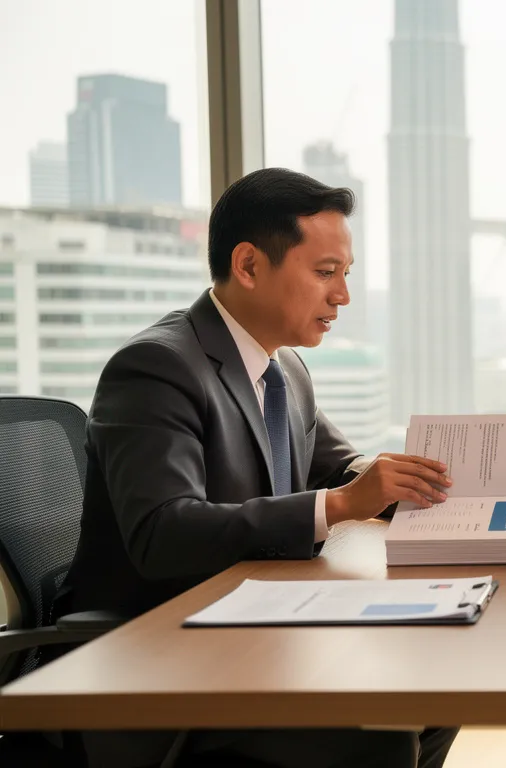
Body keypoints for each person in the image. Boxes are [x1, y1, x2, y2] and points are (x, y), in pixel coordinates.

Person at [55, 168, 459, 768]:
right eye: (325, 273)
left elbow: (338, 467)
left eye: (346, 274)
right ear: (247, 265)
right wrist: (343, 503)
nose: (342, 296)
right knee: (380, 732)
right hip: (156, 661)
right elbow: (163, 533)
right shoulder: (155, 368)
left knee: (434, 691)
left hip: (252, 631)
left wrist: (417, 483)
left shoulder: (283, 368)